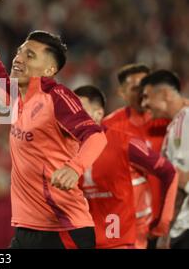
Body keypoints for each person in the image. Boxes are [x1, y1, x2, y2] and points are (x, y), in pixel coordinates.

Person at [0, 10, 107, 249]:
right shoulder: (16, 95)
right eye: (20, 51)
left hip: (63, 230)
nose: (18, 58)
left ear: (49, 70)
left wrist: (75, 168)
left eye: (29, 55)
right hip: (25, 230)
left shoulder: (57, 96)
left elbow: (95, 135)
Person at [74, 85, 177, 249]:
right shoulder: (64, 148)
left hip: (118, 242)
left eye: (79, 111)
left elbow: (168, 171)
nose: (73, 117)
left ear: (98, 114)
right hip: (80, 242)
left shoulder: (124, 142)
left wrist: (163, 222)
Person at [103, 64, 170, 248]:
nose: (142, 93)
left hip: (169, 218)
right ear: (122, 93)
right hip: (131, 224)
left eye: (145, 86)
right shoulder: (110, 127)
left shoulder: (168, 121)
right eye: (135, 88)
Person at [141, 70, 189, 249]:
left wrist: (166, 230)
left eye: (147, 96)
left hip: (184, 227)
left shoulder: (184, 121)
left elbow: (180, 180)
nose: (144, 104)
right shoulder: (178, 122)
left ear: (165, 94)